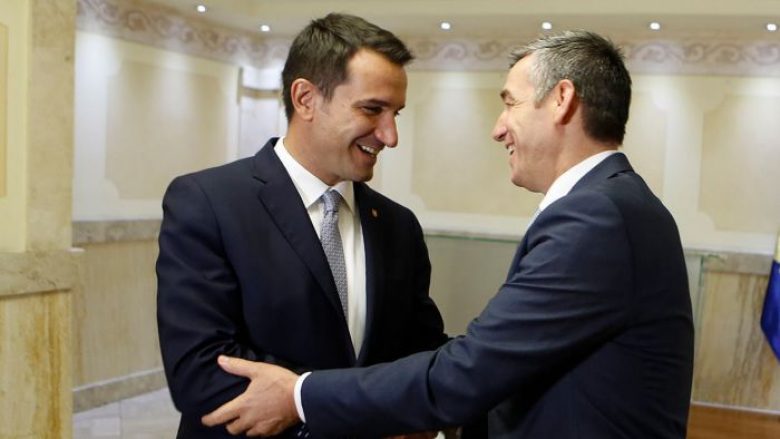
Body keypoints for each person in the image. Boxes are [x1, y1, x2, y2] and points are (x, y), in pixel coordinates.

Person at [201, 30, 695, 438]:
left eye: (510, 103)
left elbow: (472, 369)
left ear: (561, 100)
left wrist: (299, 395)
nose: (498, 129)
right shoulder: (615, 205)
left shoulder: (596, 217)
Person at [156, 13, 449, 438]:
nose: (390, 136)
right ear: (306, 98)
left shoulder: (398, 226)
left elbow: (418, 353)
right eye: (372, 109)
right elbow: (201, 373)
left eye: (396, 114)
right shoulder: (208, 203)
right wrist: (356, 420)